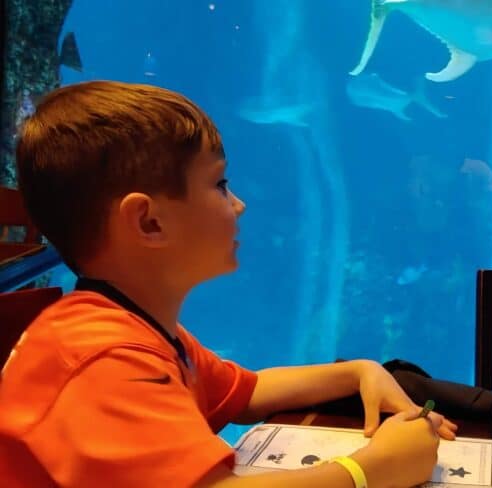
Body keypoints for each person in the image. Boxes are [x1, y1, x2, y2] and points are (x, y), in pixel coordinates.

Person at [0, 80, 457, 487]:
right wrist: (373, 470)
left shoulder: (137, 329)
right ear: (149, 221)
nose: (238, 205)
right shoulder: (101, 360)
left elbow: (249, 392)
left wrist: (359, 371)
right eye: (219, 184)